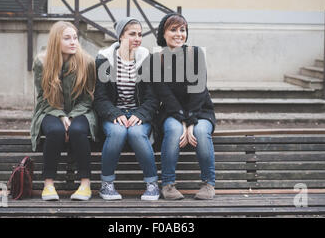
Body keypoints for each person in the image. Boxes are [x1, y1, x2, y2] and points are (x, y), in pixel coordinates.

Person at [30, 21, 99, 201]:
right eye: (67, 38)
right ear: (55, 41)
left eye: (75, 38)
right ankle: (49, 184)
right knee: (55, 131)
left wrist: (72, 116)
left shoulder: (88, 62)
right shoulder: (42, 62)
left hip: (82, 111)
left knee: (77, 130)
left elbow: (88, 97)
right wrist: (60, 115)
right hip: (49, 110)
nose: (73, 42)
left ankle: (85, 184)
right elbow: (44, 97)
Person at [94, 17, 160, 201]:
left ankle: (152, 184)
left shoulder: (146, 59)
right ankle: (106, 185)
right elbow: (100, 98)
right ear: (121, 36)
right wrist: (115, 114)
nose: (137, 38)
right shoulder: (104, 60)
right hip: (113, 114)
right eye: (132, 34)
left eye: (140, 34)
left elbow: (153, 97)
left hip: (139, 115)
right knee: (117, 133)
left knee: (136, 134)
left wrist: (140, 114)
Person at [153, 13, 216, 200]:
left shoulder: (195, 54)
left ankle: (208, 184)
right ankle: (168, 185)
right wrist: (181, 121)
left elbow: (199, 91)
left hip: (200, 110)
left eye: (182, 30)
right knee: (173, 131)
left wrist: (190, 123)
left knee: (201, 132)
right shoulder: (156, 60)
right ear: (163, 34)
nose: (179, 34)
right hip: (172, 112)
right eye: (173, 30)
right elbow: (165, 95)